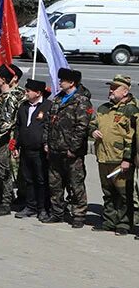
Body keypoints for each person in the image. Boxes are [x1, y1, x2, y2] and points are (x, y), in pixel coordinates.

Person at [43, 67, 92, 228]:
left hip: (71, 152)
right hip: (55, 149)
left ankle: (78, 214)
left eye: (62, 81)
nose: (59, 83)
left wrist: (74, 148)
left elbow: (81, 127)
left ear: (71, 83)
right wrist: (46, 143)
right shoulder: (58, 99)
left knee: (75, 183)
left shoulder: (81, 100)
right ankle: (57, 212)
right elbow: (48, 123)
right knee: (55, 184)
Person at [90, 74, 138, 235]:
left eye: (114, 88)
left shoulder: (131, 110)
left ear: (125, 91)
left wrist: (127, 159)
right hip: (103, 156)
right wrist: (93, 131)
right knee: (108, 191)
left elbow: (132, 137)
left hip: (119, 158)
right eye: (110, 87)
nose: (110, 91)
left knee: (124, 194)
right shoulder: (104, 108)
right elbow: (92, 124)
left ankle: (124, 223)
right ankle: (109, 221)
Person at [0, 65, 23, 216]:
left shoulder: (12, 97)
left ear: (5, 79)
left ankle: (6, 202)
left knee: (4, 171)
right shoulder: (0, 95)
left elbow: (8, 122)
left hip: (5, 139)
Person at [13, 78, 53, 220]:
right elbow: (18, 127)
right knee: (28, 179)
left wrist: (46, 144)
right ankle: (30, 206)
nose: (26, 93)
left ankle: (43, 207)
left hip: (40, 151)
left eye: (28, 91)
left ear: (38, 93)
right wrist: (16, 145)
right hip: (26, 149)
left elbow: (49, 128)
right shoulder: (23, 106)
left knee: (41, 180)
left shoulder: (48, 106)